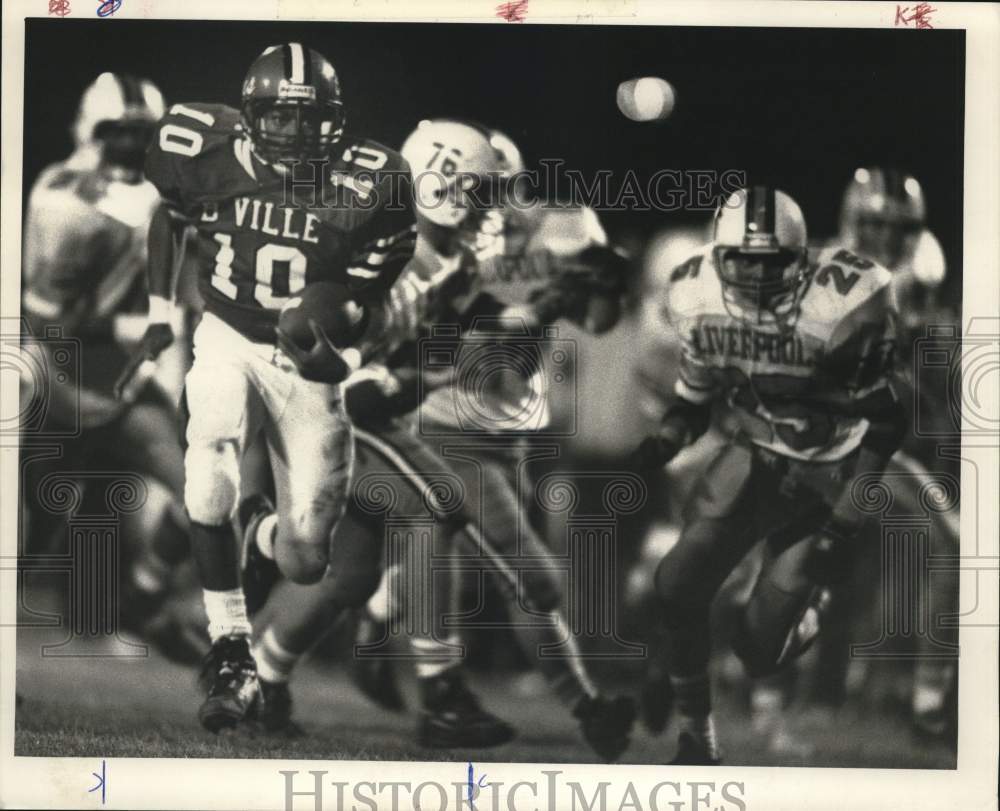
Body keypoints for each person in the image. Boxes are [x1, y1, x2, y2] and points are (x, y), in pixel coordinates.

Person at [246, 119, 637, 760]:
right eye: (484, 194)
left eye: (499, 194)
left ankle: (265, 670)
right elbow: (365, 364)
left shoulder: (475, 249)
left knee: (342, 571)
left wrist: (582, 292)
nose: (495, 212)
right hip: (364, 415)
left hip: (438, 421)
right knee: (461, 524)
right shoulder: (393, 247)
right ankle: (445, 690)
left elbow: (484, 334)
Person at [122, 43, 416, 732]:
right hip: (225, 333)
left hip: (304, 365)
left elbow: (374, 297)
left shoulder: (374, 183)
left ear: (336, 122)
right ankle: (231, 649)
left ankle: (254, 533)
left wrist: (340, 343)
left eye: (310, 119)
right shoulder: (198, 146)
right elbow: (170, 214)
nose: (294, 132)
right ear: (251, 116)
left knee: (307, 558)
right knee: (206, 470)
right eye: (279, 117)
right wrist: (164, 315)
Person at [633, 186, 905, 764]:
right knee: (675, 586)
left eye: (771, 263)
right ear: (718, 257)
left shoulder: (843, 307)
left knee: (757, 650)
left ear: (801, 262)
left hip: (826, 475)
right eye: (743, 261)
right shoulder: (695, 294)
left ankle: (804, 615)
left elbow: (888, 422)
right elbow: (694, 397)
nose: (755, 277)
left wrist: (847, 519)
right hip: (754, 455)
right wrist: (669, 437)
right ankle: (696, 739)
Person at [19, 71, 201, 661]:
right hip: (56, 380)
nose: (131, 147)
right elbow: (46, 321)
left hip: (125, 384)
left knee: (205, 493)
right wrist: (132, 329)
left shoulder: (165, 197)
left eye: (141, 134)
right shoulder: (62, 197)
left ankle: (146, 602)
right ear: (93, 131)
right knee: (28, 535)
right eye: (119, 133)